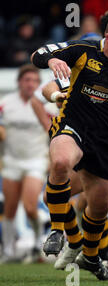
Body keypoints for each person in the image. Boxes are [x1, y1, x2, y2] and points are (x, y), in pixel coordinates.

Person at [31, 15, 108, 281]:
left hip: (106, 142)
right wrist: (52, 60)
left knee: (99, 208)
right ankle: (57, 231)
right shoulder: (83, 51)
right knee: (61, 162)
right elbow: (39, 55)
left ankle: (90, 257)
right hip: (73, 126)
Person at [0, 65, 47, 263]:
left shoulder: (45, 105)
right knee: (9, 208)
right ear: (19, 82)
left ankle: (37, 244)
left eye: (34, 81)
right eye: (26, 80)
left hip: (36, 160)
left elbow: (52, 132)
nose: (30, 84)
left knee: (29, 206)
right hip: (11, 160)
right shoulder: (5, 103)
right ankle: (8, 251)